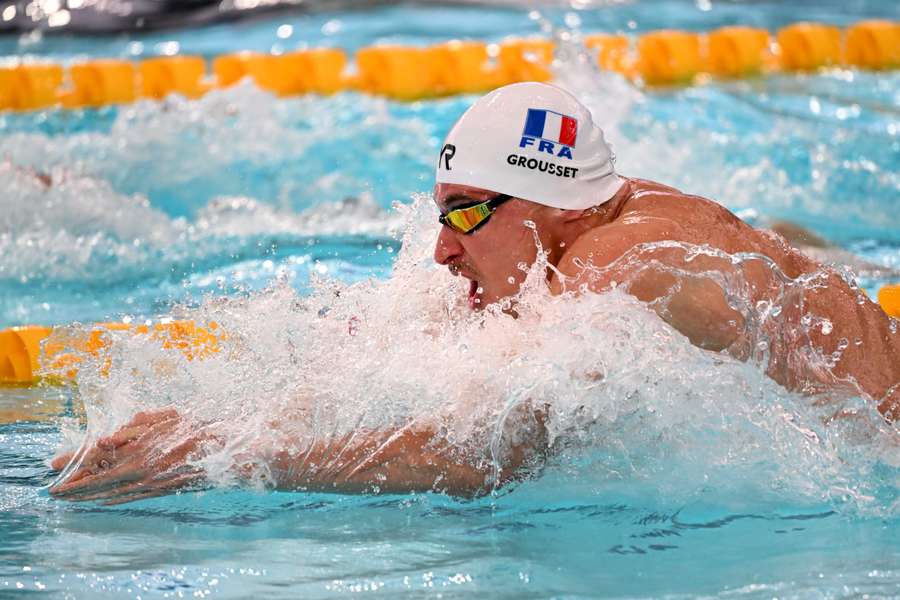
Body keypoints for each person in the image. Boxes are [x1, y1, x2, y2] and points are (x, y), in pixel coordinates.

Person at [49, 82, 900, 504]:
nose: (441, 251)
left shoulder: (620, 270)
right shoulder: (598, 214)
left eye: (464, 215)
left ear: (547, 204)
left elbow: (478, 456)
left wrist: (222, 456)